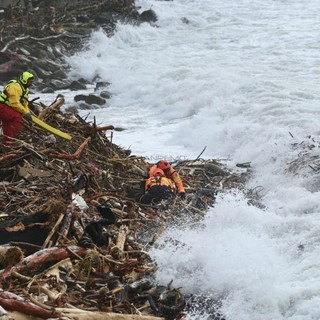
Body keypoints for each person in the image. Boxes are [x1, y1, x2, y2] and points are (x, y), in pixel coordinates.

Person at [0, 71, 34, 146]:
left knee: (7, 125)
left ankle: (7, 144)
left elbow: (25, 104)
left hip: (7, 108)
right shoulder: (14, 86)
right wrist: (25, 113)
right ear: (25, 80)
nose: (32, 83)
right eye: (30, 81)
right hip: (2, 106)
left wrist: (28, 115)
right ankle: (17, 138)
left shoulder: (25, 90)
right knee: (17, 117)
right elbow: (14, 103)